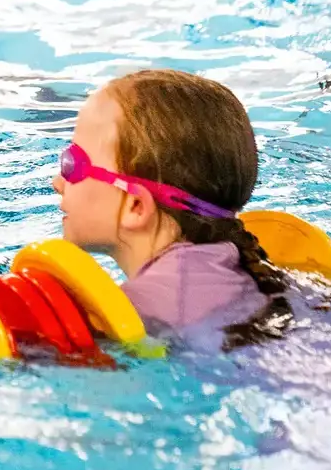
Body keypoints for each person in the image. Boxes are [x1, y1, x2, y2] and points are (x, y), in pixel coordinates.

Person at [55, 69, 290, 349]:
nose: (57, 182)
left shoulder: (142, 318)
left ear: (136, 205)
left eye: (72, 164)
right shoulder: (256, 271)